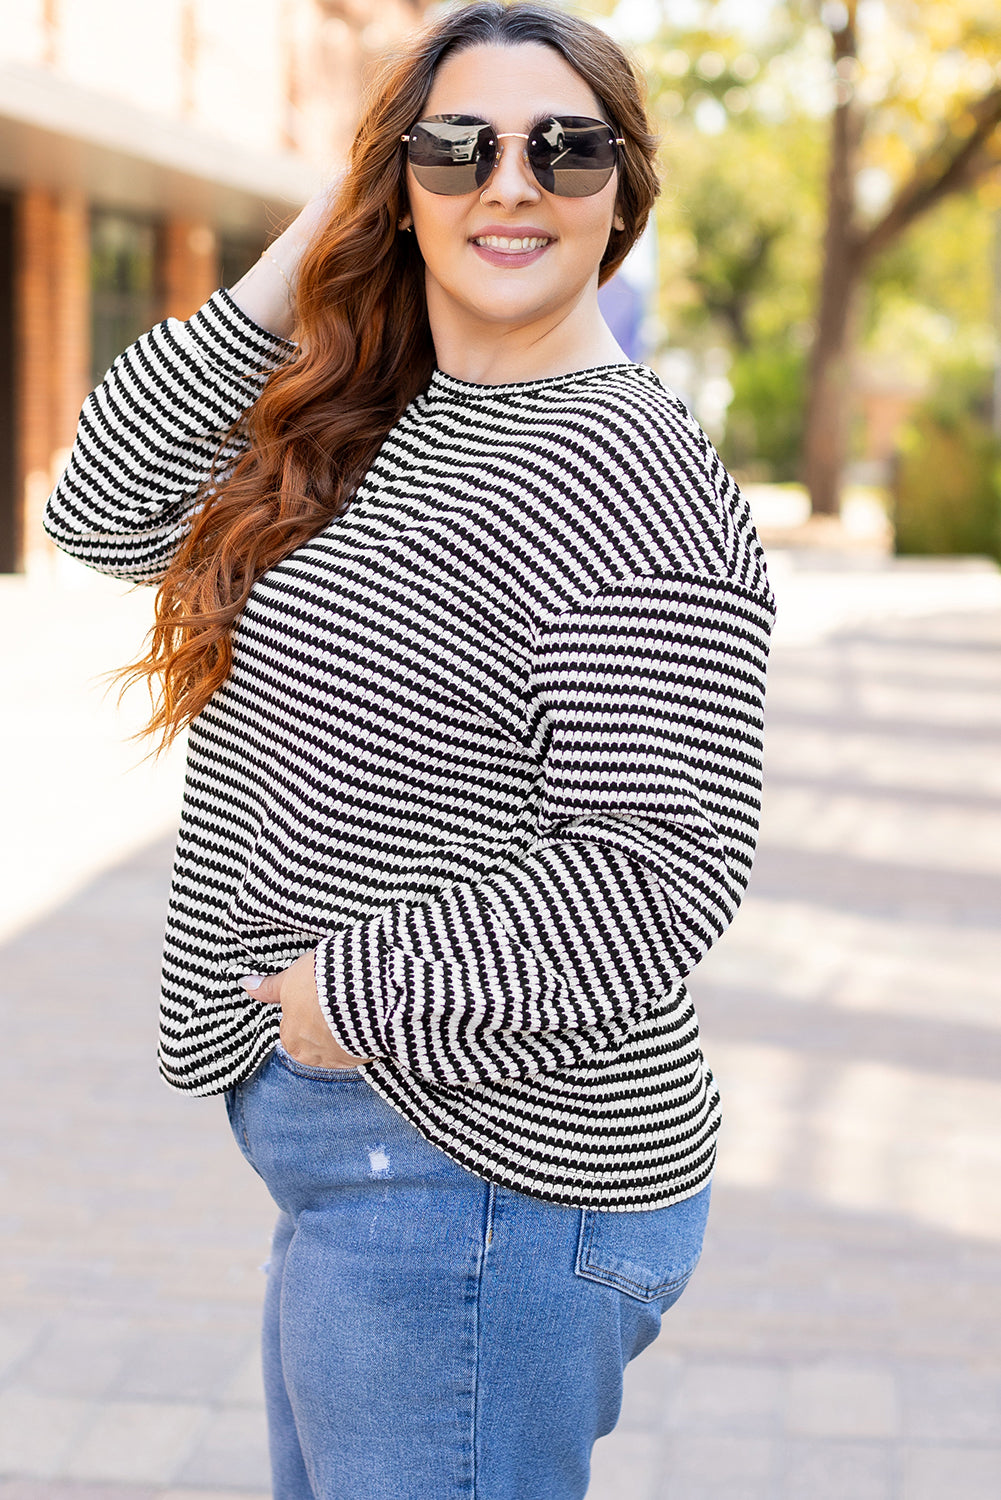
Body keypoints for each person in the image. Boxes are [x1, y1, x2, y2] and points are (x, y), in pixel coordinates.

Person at [44, 3, 775, 1496]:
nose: (511, 183)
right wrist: (314, 237)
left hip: (479, 1169)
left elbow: (663, 868)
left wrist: (350, 996)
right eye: (458, 146)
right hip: (380, 1159)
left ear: (620, 193)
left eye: (564, 148)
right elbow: (97, 507)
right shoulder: (388, 413)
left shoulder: (624, 471)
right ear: (398, 177)